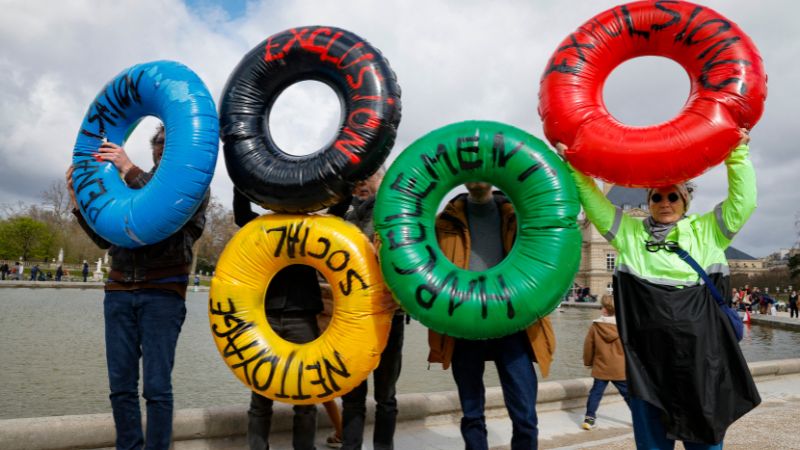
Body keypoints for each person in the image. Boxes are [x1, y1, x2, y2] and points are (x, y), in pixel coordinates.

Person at [557, 128, 760, 448]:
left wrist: (738, 155)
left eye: (672, 196)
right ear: (648, 201)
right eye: (657, 196)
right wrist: (572, 163)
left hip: (701, 362)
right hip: (648, 364)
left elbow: (744, 201)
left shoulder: (709, 231)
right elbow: (592, 198)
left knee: (705, 441)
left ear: (686, 200)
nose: (664, 202)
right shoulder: (628, 233)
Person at [67, 124, 208, 450]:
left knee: (157, 387)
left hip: (162, 292)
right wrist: (78, 203)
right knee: (120, 387)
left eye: (169, 141)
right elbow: (105, 238)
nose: (162, 146)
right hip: (118, 291)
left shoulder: (193, 182)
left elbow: (168, 209)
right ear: (154, 147)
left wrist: (128, 168)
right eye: (158, 141)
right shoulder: (126, 184)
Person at [428, 182, 556, 450]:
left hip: (513, 324)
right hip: (464, 324)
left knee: (525, 415)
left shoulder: (518, 215)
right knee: (472, 415)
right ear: (462, 175)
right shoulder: (443, 222)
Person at [234, 188, 322, 450]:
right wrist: (243, 181)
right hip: (267, 316)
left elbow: (339, 211)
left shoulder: (314, 227)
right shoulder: (262, 226)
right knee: (260, 395)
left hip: (302, 314)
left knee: (305, 396)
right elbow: (241, 213)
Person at [338, 170, 405, 450]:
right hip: (353, 317)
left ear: (383, 178)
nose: (362, 183)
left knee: (385, 394)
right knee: (353, 391)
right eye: (358, 179)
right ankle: (350, 446)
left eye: (369, 176)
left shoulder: (394, 213)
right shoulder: (343, 216)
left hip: (390, 315)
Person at [581, 294, 630, 430]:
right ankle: (639, 420)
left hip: (601, 366)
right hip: (620, 367)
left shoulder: (596, 326)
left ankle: (589, 419)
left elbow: (588, 346)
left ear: (604, 310)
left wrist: (588, 362)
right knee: (628, 395)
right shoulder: (625, 326)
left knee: (595, 393)